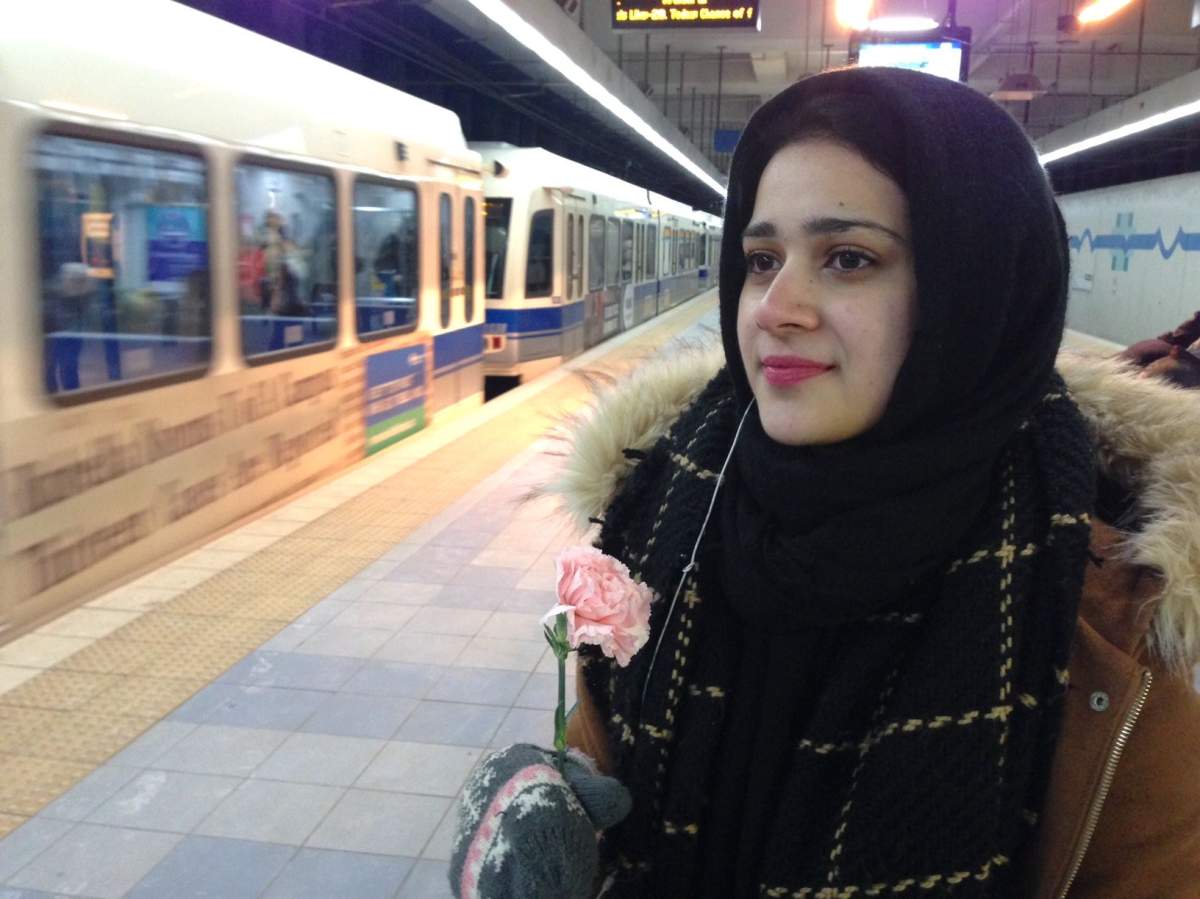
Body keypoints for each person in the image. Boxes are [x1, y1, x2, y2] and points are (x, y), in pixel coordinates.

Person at [450, 67, 1200, 899]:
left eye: (848, 258)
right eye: (761, 258)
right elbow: (600, 768)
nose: (776, 306)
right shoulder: (663, 510)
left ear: (975, 289)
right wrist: (544, 814)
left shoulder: (1124, 631)